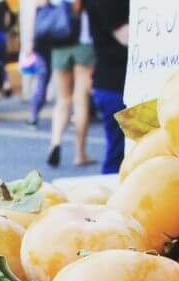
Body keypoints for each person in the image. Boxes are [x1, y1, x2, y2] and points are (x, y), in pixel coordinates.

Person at [45, 0, 95, 168]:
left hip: (59, 41)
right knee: (81, 100)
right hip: (82, 42)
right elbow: (78, 5)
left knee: (63, 99)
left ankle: (55, 142)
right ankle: (79, 153)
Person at [84, 0, 129, 174]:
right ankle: (114, 198)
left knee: (122, 152)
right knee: (118, 155)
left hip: (114, 83)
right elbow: (125, 36)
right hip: (115, 85)